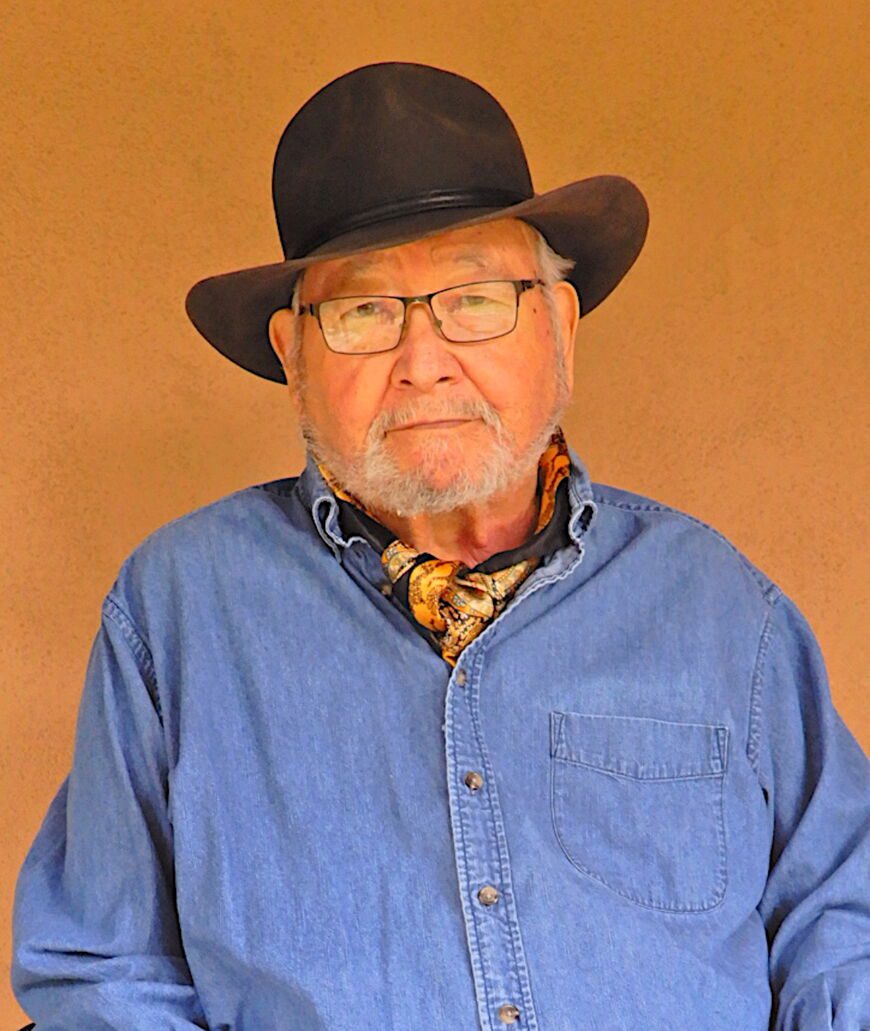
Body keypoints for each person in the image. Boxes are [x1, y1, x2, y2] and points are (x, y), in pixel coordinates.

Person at [11, 61, 869, 1031]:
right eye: (365, 311)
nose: (423, 362)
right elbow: (102, 974)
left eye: (474, 299)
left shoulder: (717, 607)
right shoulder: (177, 608)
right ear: (295, 357)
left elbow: (845, 925)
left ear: (559, 327)